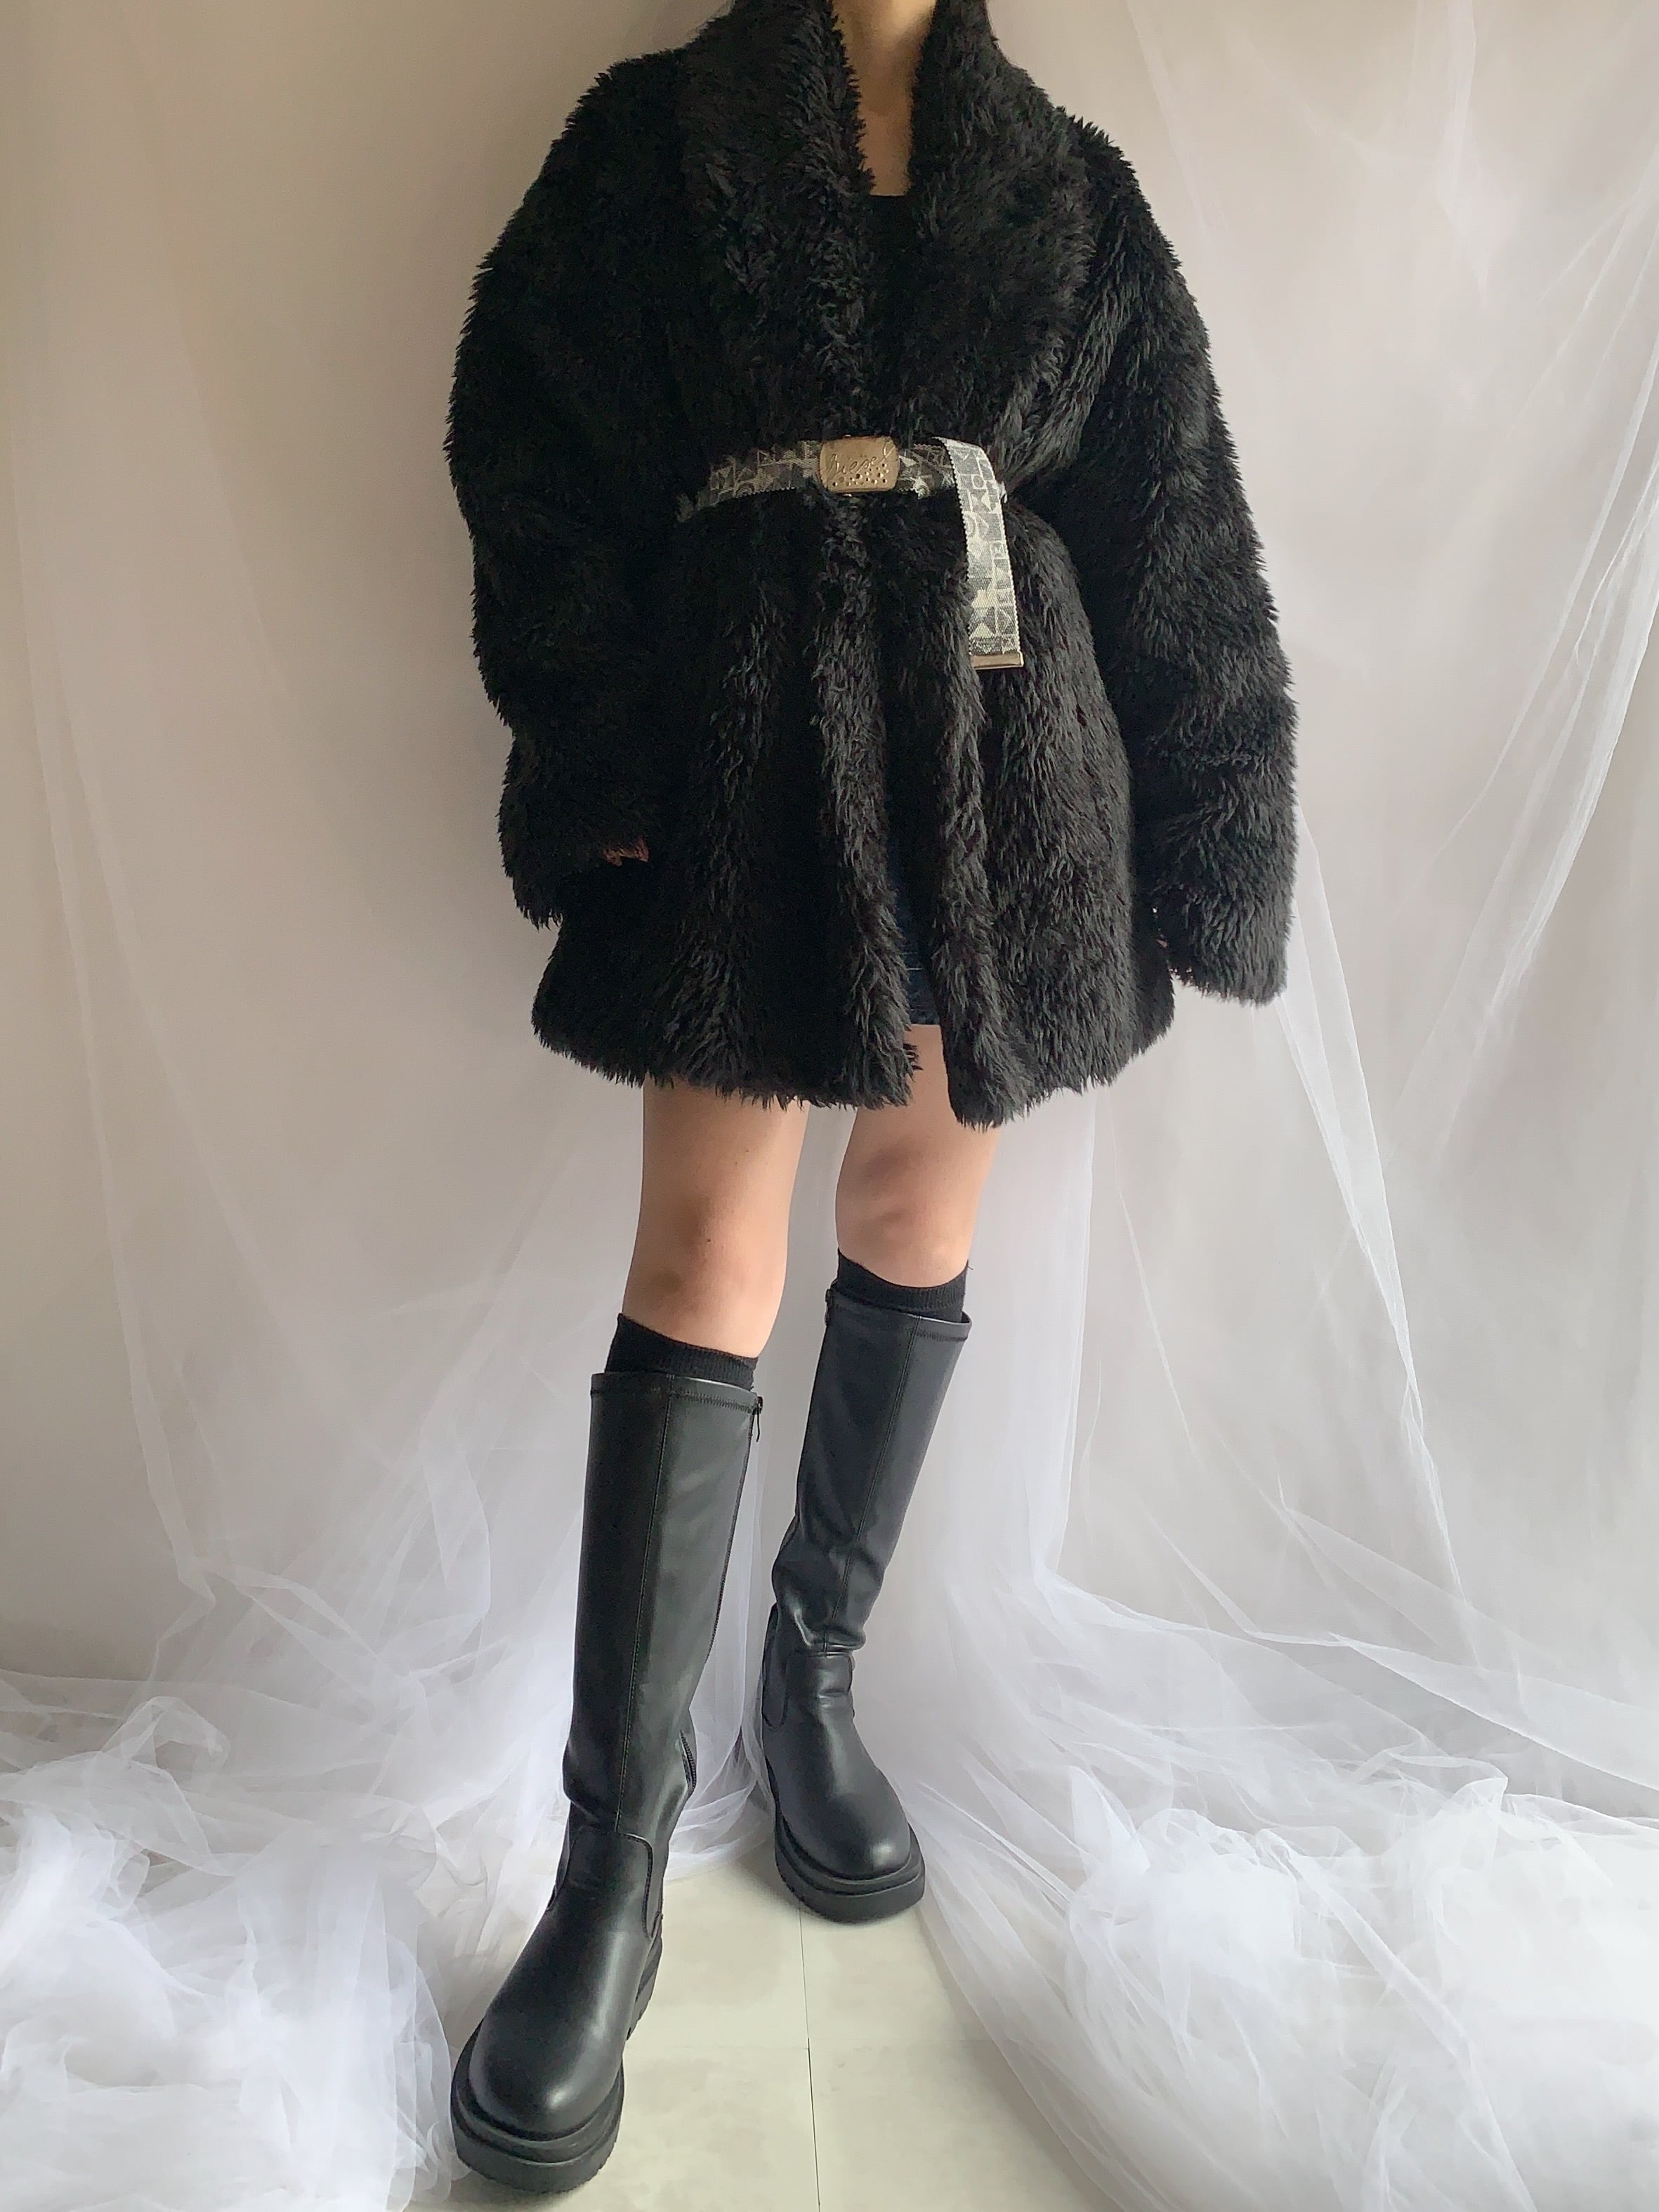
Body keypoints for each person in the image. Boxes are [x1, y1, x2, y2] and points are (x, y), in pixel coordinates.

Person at [442, 0, 1297, 2190]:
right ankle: (612, 1868)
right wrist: (592, 730)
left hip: (1014, 768)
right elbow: (524, 436)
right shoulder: (651, 142)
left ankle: (812, 1685)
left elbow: (1175, 517)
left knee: (914, 1217)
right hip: (748, 749)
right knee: (701, 1252)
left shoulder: (1068, 185)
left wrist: (1215, 825)